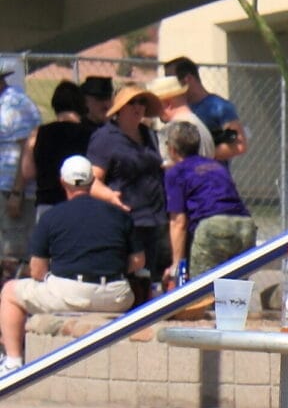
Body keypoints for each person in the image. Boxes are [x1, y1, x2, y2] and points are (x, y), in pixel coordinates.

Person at [0, 157, 140, 376]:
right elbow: (138, 261)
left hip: (68, 293)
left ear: (62, 181)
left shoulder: (51, 217)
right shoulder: (119, 215)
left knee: (10, 291)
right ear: (92, 180)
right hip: (115, 296)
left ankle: (13, 361)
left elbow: (37, 271)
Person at [87, 84, 169, 292]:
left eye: (142, 102)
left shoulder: (148, 134)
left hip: (153, 219)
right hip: (124, 220)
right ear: (120, 108)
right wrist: (110, 196)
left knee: (149, 279)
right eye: (132, 102)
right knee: (125, 279)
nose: (138, 107)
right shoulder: (105, 138)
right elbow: (91, 181)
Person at [161, 122, 255, 272]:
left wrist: (176, 266)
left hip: (213, 227)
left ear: (172, 149)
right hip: (245, 225)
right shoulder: (217, 166)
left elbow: (178, 222)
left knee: (205, 289)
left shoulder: (176, 172)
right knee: (235, 291)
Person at [23, 81, 90, 215]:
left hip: (47, 202)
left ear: (55, 104)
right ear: (81, 105)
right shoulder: (90, 134)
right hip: (80, 203)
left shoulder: (39, 133)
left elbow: (27, 172)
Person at [0, 58, 39, 277]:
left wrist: (17, 192)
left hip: (11, 192)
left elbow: (28, 148)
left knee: (13, 257)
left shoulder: (16, 106)